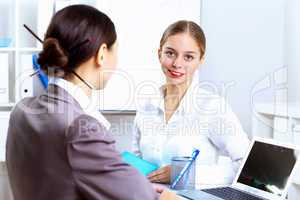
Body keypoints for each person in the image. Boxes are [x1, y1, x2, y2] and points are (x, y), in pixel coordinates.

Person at [6, 5, 176, 200]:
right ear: (102, 54)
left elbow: (61, 180)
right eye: (116, 51)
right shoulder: (82, 128)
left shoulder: (22, 110)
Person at [132, 20, 250, 185]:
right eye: (170, 53)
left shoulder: (213, 107)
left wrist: (187, 173)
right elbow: (136, 163)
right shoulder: (146, 106)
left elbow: (245, 165)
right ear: (159, 54)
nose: (177, 63)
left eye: (188, 57)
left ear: (201, 60)